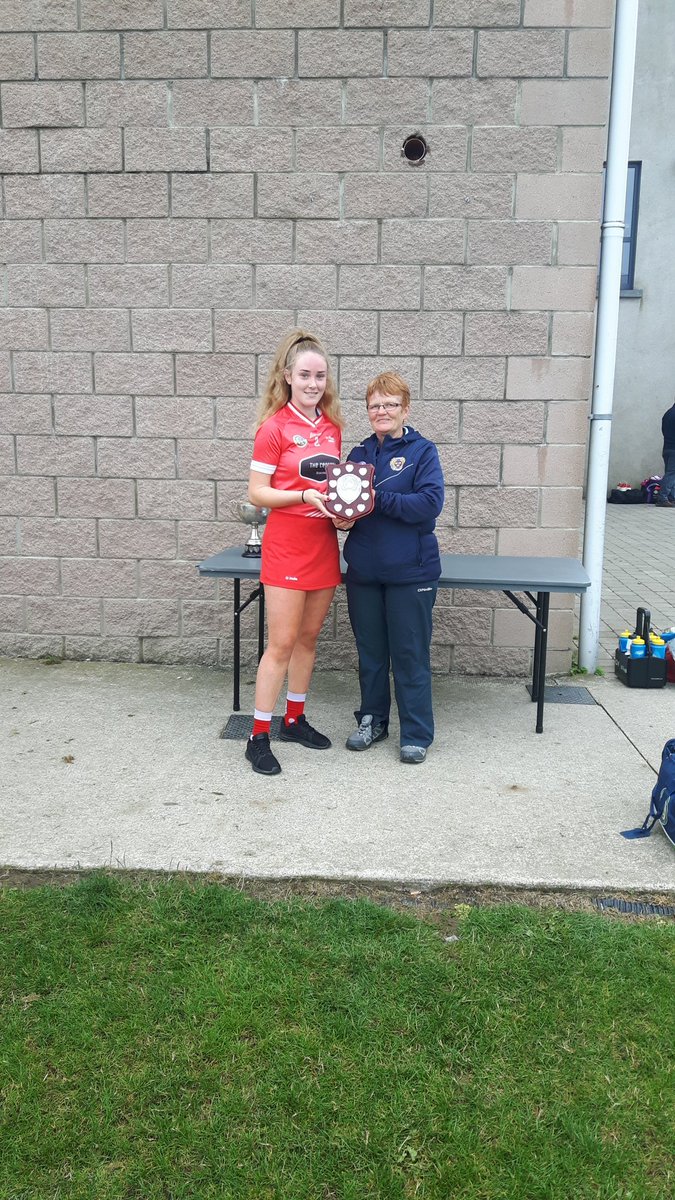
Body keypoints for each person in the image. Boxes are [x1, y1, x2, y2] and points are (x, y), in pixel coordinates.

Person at [245, 329, 343, 776]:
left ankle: (294, 719)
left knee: (307, 639)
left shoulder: (332, 427)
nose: (312, 383)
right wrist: (303, 497)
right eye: (304, 374)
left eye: (320, 375)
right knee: (280, 644)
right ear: (287, 376)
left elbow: (335, 489)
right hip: (285, 547)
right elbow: (257, 493)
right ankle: (258, 736)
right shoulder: (273, 428)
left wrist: (345, 513)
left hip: (322, 545)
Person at [339, 372, 444, 764]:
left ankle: (416, 733)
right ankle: (373, 720)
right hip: (364, 572)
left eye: (390, 404)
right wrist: (342, 518)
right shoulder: (359, 454)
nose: (382, 411)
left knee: (409, 654)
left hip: (411, 573)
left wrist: (375, 499)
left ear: (405, 408)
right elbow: (348, 506)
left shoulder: (422, 451)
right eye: (375, 405)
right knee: (371, 653)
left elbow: (429, 504)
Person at [656, 398, 675, 507]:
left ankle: (671, 497)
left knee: (671, 473)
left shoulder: (668, 413)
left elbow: (663, 431)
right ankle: (662, 498)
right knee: (671, 474)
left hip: (667, 447)